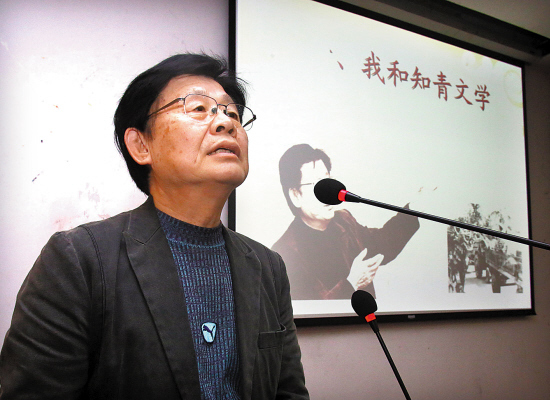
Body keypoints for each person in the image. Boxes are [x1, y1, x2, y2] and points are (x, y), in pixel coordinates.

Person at [0, 54, 309, 400]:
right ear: (141, 145)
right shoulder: (79, 261)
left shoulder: (268, 267)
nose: (225, 122)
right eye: (198, 108)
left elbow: (289, 393)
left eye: (233, 113)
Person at [272, 144, 420, 300]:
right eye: (318, 185)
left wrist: (415, 208)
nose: (328, 192)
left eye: (327, 181)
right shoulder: (284, 253)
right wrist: (352, 284)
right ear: (295, 195)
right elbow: (305, 306)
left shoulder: (343, 220)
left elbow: (381, 244)